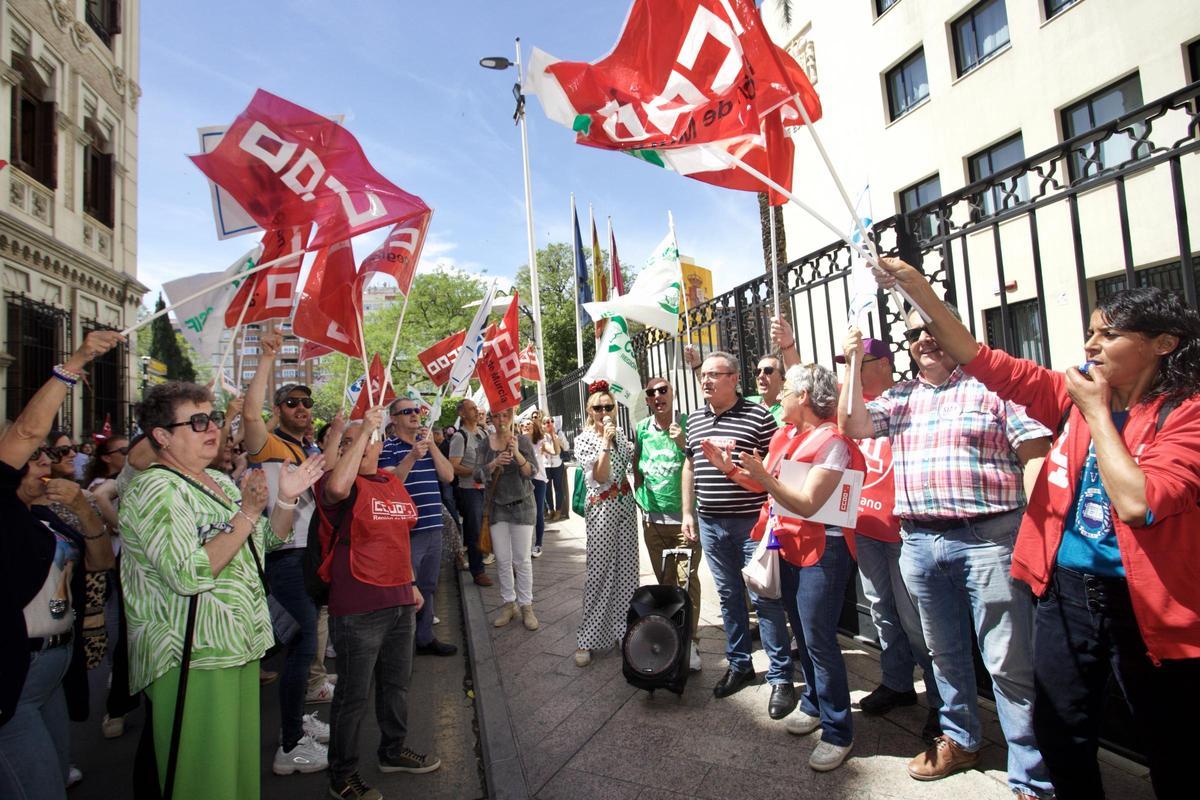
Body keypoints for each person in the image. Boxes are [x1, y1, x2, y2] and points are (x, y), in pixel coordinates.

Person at [875, 257, 1200, 800]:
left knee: (1170, 740)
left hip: (1147, 602)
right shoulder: (1063, 393)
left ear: (1162, 344)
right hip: (1067, 590)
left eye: (1109, 335)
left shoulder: (1183, 412)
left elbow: (1140, 503)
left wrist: (1097, 414)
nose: (1091, 345)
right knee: (1059, 728)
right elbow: (983, 360)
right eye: (1091, 332)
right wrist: (920, 291)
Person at [839, 291, 1053, 798]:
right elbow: (853, 425)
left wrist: (1036, 533)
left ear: (957, 328)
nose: (923, 339)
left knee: (1007, 661)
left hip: (990, 541)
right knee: (943, 651)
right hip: (919, 542)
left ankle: (1031, 771)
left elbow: (1035, 456)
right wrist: (851, 362)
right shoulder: (902, 396)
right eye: (913, 333)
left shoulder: (997, 387)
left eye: (932, 326)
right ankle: (960, 738)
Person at [119, 381, 323, 799]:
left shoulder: (217, 481)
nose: (212, 427)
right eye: (196, 422)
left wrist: (285, 499)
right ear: (161, 435)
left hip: (239, 645)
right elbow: (187, 572)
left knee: (236, 771)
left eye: (211, 417)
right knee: (204, 778)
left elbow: (265, 543)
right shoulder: (154, 489)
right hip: (193, 654)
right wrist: (247, 515)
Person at [0, 330, 121, 800]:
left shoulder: (51, 515)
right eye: (35, 460)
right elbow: (27, 431)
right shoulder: (4, 513)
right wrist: (77, 360)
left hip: (55, 667)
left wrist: (86, 510)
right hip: (16, 672)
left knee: (56, 770)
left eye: (49, 457)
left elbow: (100, 562)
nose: (45, 465)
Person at [738, 363, 865, 771]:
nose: (780, 394)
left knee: (819, 640)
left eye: (788, 388)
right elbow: (767, 485)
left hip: (822, 550)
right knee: (804, 638)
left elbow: (808, 502)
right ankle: (812, 704)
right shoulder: (789, 434)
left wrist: (763, 476)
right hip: (790, 545)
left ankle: (838, 730)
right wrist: (734, 470)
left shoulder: (834, 442)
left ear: (806, 396)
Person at [317, 411, 441, 800]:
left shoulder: (386, 480)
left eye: (371, 439)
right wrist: (361, 430)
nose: (370, 444)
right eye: (358, 441)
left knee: (396, 684)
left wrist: (411, 584)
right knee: (353, 697)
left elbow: (398, 534)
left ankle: (392, 751)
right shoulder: (338, 486)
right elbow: (337, 487)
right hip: (358, 608)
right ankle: (342, 776)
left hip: (400, 600)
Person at [825, 329, 942, 741]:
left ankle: (941, 702)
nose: (852, 374)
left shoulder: (902, 404)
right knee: (881, 610)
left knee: (917, 620)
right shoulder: (854, 408)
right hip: (865, 529)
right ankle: (897, 682)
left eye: (860, 364)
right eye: (848, 367)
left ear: (886, 364)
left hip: (903, 532)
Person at [683, 352, 795, 719]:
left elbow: (773, 469)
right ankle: (740, 663)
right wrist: (688, 513)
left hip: (751, 522)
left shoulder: (759, 417)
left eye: (713, 375)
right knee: (729, 597)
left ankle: (780, 676)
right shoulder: (695, 420)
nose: (705, 381)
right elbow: (690, 465)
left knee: (764, 597)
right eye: (702, 375)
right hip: (711, 522)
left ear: (733, 378)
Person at [243, 333, 335, 775]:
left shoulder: (304, 447)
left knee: (306, 646)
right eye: (293, 402)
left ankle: (298, 723)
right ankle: (290, 746)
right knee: (298, 648)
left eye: (307, 402)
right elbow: (248, 416)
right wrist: (266, 357)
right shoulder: (270, 447)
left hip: (309, 555)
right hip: (285, 557)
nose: (302, 408)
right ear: (278, 410)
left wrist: (335, 434)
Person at [631, 376, 702, 671]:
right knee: (667, 584)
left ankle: (691, 642)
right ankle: (672, 636)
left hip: (685, 523)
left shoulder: (688, 424)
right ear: (647, 399)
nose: (658, 396)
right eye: (652, 393)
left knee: (687, 582)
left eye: (663, 390)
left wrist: (684, 443)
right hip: (654, 525)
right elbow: (636, 469)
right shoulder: (641, 431)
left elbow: (701, 463)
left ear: (672, 394)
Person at [379, 397, 458, 656]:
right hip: (406, 531)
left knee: (428, 585)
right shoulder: (387, 448)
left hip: (433, 525)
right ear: (394, 418)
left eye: (417, 410)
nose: (415, 414)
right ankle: (402, 644)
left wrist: (432, 447)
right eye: (407, 411)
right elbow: (391, 485)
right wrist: (413, 456)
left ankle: (424, 638)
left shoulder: (427, 444)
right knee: (406, 591)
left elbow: (448, 476)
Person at [573, 382, 639, 667]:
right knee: (599, 572)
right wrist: (605, 443)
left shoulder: (622, 435)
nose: (603, 412)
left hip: (625, 504)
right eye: (597, 407)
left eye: (608, 406)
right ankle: (587, 640)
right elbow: (601, 476)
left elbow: (630, 468)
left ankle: (623, 632)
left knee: (627, 572)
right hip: (602, 507)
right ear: (589, 411)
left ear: (615, 408)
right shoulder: (584, 439)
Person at [478, 407, 539, 629]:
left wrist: (518, 453)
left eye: (505, 415)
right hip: (496, 508)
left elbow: (532, 472)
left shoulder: (521, 440)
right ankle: (508, 604)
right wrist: (494, 464)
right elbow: (477, 474)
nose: (501, 419)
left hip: (522, 506)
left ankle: (526, 606)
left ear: (511, 417)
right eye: (496, 415)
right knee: (503, 560)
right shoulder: (485, 444)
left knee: (522, 559)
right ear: (490, 418)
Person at [448, 399, 492, 586]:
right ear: (462, 414)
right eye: (472, 409)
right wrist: (477, 471)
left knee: (492, 527)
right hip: (470, 490)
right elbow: (453, 467)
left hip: (488, 489)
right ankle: (477, 570)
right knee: (474, 530)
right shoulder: (460, 437)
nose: (476, 411)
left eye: (476, 408)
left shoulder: (483, 432)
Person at [522, 417, 550, 558]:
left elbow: (554, 451)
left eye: (529, 424)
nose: (526, 426)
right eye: (523, 424)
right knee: (525, 513)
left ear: (534, 427)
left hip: (538, 480)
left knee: (538, 512)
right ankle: (525, 545)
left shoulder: (540, 442)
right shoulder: (517, 444)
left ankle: (538, 544)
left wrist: (554, 438)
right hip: (523, 482)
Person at [541, 416, 568, 521]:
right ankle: (550, 510)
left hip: (557, 464)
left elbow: (565, 447)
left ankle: (558, 511)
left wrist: (557, 439)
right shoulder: (541, 436)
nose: (550, 423)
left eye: (552, 421)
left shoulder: (559, 433)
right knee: (547, 489)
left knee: (558, 488)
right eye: (546, 422)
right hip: (545, 465)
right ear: (543, 425)